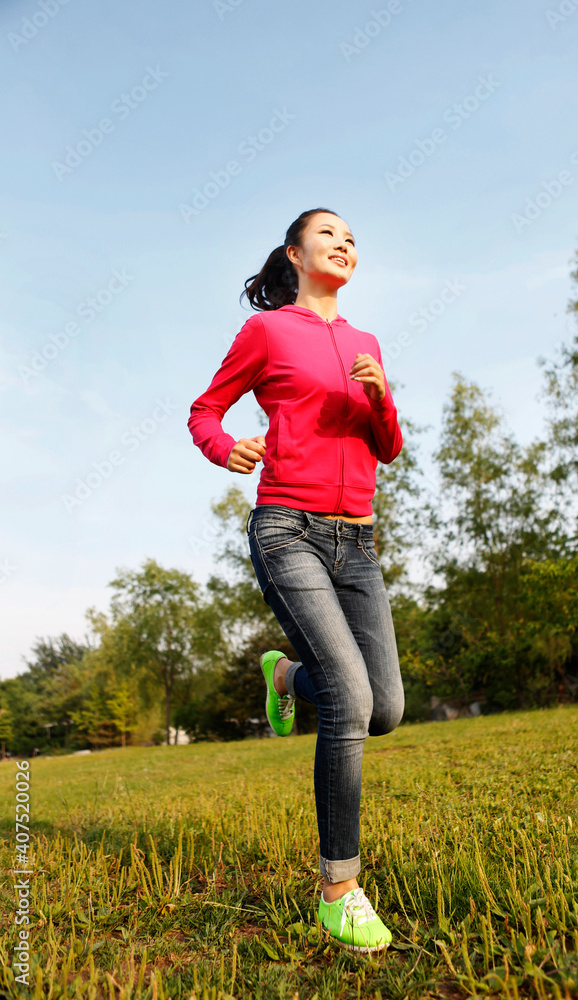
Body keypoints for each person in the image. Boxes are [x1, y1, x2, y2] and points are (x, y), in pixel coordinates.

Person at [187, 207, 405, 953]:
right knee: (348, 697)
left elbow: (387, 447)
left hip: (359, 541)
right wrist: (225, 449)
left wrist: (381, 399)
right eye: (329, 233)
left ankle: (284, 676)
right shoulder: (268, 332)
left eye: (353, 237)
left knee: (384, 710)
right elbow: (205, 408)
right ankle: (338, 888)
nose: (345, 242)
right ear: (295, 252)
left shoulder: (366, 342)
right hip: (288, 529)